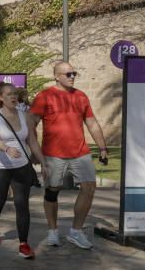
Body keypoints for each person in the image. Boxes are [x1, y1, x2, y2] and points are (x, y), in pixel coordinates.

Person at [30, 62, 109, 249]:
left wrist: (103, 148)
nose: (72, 76)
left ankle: (76, 231)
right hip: (53, 154)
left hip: (80, 152)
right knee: (52, 191)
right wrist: (35, 151)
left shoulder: (81, 96)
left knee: (89, 188)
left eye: (74, 73)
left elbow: (92, 123)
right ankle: (53, 231)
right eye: (68, 74)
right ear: (56, 76)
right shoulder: (44, 96)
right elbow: (30, 124)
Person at [0, 82, 46, 259]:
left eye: (15, 94)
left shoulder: (25, 116)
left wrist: (43, 162)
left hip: (21, 167)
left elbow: (32, 142)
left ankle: (23, 244)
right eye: (8, 94)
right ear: (1, 98)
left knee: (22, 204)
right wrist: (6, 148)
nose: (13, 96)